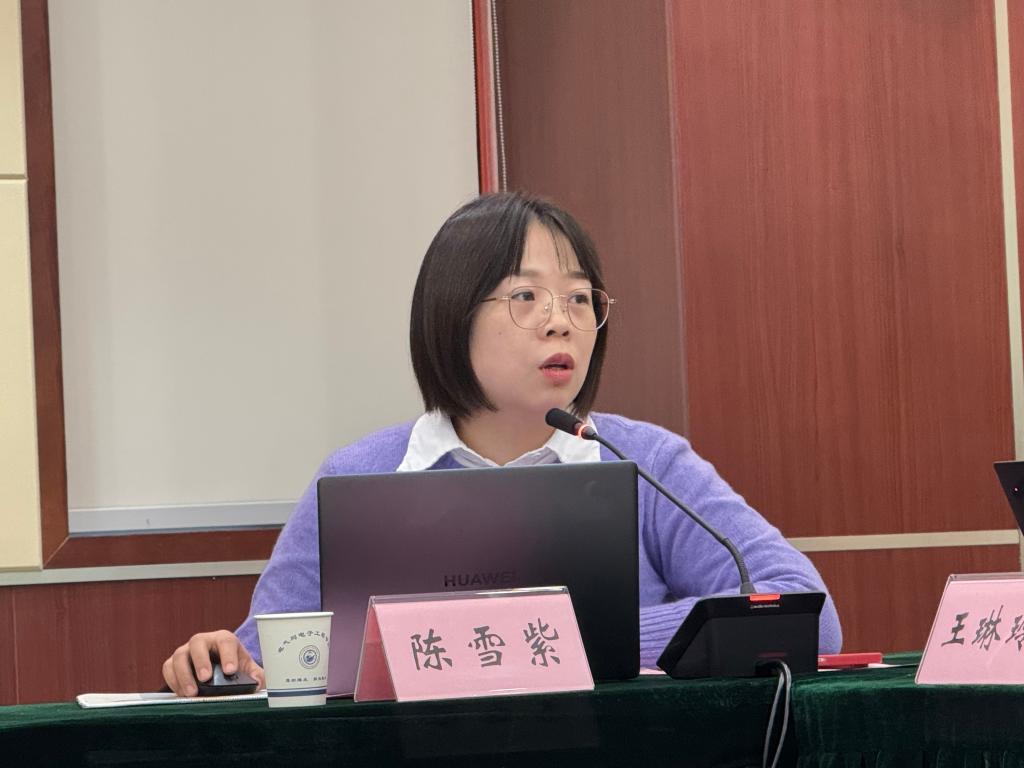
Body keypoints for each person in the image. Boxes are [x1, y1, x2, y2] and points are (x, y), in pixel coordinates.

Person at [161, 192, 842, 695]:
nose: (561, 323)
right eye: (527, 298)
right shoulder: (361, 474)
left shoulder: (647, 462)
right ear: (452, 316)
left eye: (581, 300)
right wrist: (218, 660)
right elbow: (267, 661)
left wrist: (582, 640)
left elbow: (800, 611)